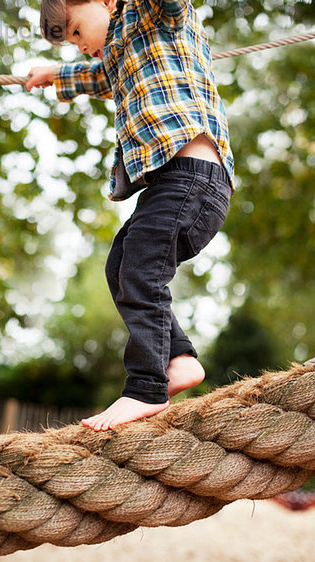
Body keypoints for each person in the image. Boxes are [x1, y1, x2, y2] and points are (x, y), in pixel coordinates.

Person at [25, 0, 235, 431]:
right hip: (173, 185)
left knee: (139, 270)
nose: (80, 46)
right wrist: (54, 73)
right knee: (121, 265)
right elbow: (99, 76)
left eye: (78, 31)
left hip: (194, 177)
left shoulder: (158, 16)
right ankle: (178, 359)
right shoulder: (119, 53)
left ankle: (145, 388)